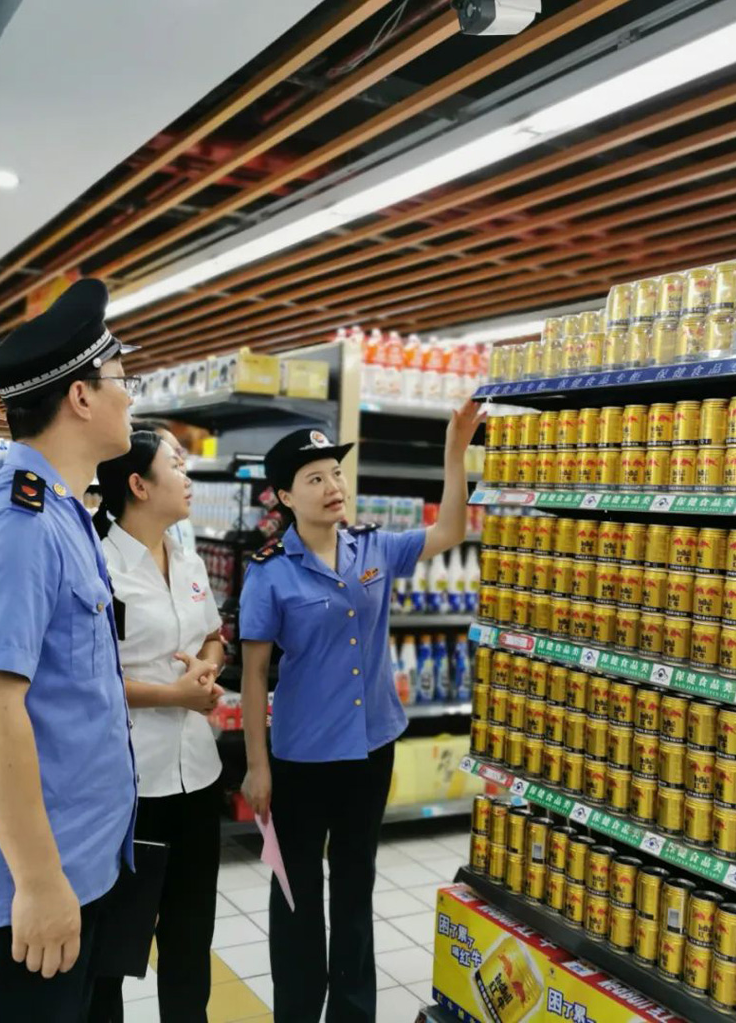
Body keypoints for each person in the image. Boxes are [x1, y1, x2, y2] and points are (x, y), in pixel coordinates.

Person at [0, 279, 140, 1021]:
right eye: (122, 378)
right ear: (81, 396)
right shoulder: (16, 524)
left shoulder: (62, 514)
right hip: (23, 892)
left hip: (80, 865)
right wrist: (41, 882)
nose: (131, 396)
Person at [238, 406, 484, 1023]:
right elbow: (253, 676)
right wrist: (257, 766)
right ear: (285, 496)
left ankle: (352, 1013)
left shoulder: (375, 546)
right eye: (315, 479)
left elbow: (450, 530)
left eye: (336, 474)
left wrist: (454, 451)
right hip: (300, 756)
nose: (333, 486)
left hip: (372, 748)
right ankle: (297, 1012)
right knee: (296, 894)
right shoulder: (269, 573)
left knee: (355, 886)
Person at [90, 430, 225, 1022]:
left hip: (198, 776)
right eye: (177, 466)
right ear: (138, 485)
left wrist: (206, 669)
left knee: (191, 936)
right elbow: (86, 676)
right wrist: (173, 695)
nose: (188, 479)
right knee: (115, 941)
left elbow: (213, 636)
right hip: (130, 785)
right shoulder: (98, 562)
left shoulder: (189, 558)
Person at [131, 418, 196, 552]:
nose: (182, 465)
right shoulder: (110, 552)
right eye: (173, 461)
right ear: (139, 485)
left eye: (181, 454)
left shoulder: (182, 524)